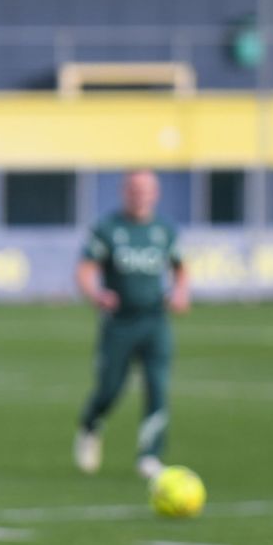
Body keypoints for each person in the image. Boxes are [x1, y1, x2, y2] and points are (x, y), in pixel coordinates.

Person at [73, 169, 190, 480]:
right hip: (119, 324)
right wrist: (96, 293)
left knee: (158, 387)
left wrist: (180, 292)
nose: (140, 195)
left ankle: (150, 455)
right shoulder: (108, 229)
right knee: (110, 388)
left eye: (146, 189)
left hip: (155, 320)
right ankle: (90, 423)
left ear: (156, 194)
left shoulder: (164, 230)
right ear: (125, 192)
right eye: (135, 189)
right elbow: (85, 269)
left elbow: (180, 267)